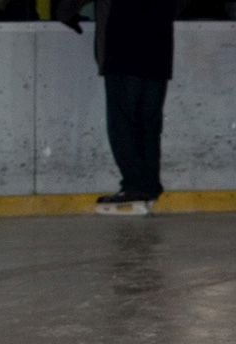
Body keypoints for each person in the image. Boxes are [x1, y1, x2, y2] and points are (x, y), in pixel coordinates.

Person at [57, 0, 181, 216]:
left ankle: (134, 185)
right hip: (158, 50)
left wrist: (64, 13)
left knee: (123, 123)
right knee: (149, 125)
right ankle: (149, 184)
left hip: (123, 47)